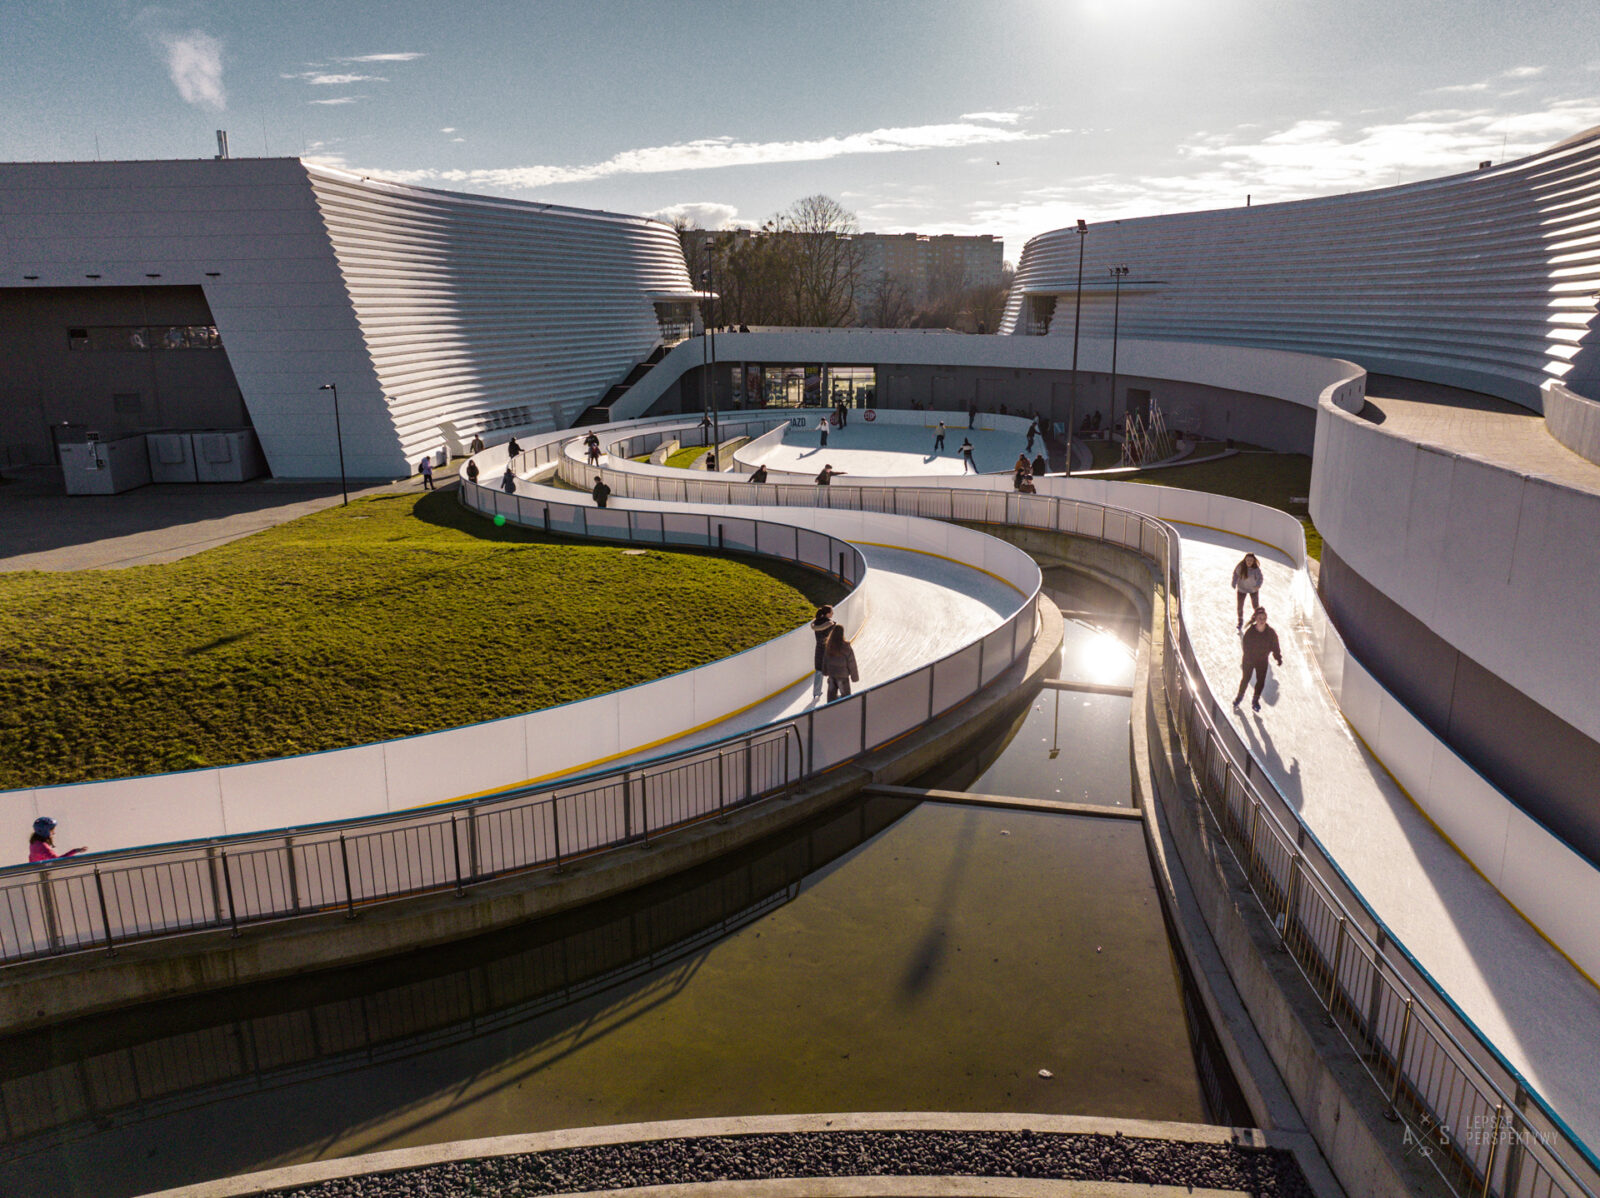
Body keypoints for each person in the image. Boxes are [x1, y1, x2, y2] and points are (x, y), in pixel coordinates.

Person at [1233, 606, 1283, 713]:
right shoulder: (1250, 633)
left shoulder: (1270, 633)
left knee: (1260, 681)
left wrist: (1277, 657)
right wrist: (1249, 658)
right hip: (1249, 660)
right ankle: (1239, 697)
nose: (1262, 621)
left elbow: (1275, 645)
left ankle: (1255, 700)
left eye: (1264, 618)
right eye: (1260, 618)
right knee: (1246, 678)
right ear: (1256, 619)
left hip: (1262, 661)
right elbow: (1245, 647)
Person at [822, 624, 859, 702]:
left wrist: (825, 671)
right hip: (843, 675)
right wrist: (854, 677)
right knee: (846, 697)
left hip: (832, 675)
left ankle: (830, 711)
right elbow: (851, 662)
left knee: (831, 698)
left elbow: (825, 659)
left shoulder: (829, 645)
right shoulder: (845, 646)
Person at [1231, 552, 1264, 630]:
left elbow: (1260, 578)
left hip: (1253, 589)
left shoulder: (1256, 569)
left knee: (1255, 606)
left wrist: (1258, 585)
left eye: (1251, 560)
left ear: (1253, 561)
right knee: (1240, 606)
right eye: (1248, 560)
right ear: (1245, 560)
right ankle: (1240, 621)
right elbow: (1235, 574)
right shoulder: (1240, 567)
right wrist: (1234, 582)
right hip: (1242, 589)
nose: (1249, 562)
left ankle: (1255, 618)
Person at [810, 605, 836, 700]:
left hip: (819, 650)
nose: (833, 613)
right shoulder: (831, 624)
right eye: (831, 612)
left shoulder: (816, 623)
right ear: (827, 614)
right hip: (829, 649)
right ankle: (835, 690)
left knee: (819, 670)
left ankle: (816, 692)